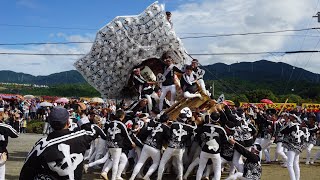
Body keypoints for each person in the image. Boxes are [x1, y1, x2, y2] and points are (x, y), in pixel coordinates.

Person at [19, 107, 106, 180]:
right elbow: (93, 129)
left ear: (50, 123)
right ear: (68, 122)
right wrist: (82, 113)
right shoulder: (80, 137)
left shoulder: (42, 145)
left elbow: (26, 173)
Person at [103, 109, 136, 180]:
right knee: (115, 162)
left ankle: (113, 174)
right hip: (117, 145)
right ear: (122, 116)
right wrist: (132, 143)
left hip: (110, 143)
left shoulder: (110, 123)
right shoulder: (121, 124)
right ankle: (113, 178)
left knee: (123, 159)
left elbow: (105, 132)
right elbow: (126, 135)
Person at [0, 109, 19, 180]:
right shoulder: (5, 127)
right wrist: (16, 120)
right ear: (1, 115)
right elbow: (16, 134)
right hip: (1, 153)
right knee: (1, 176)